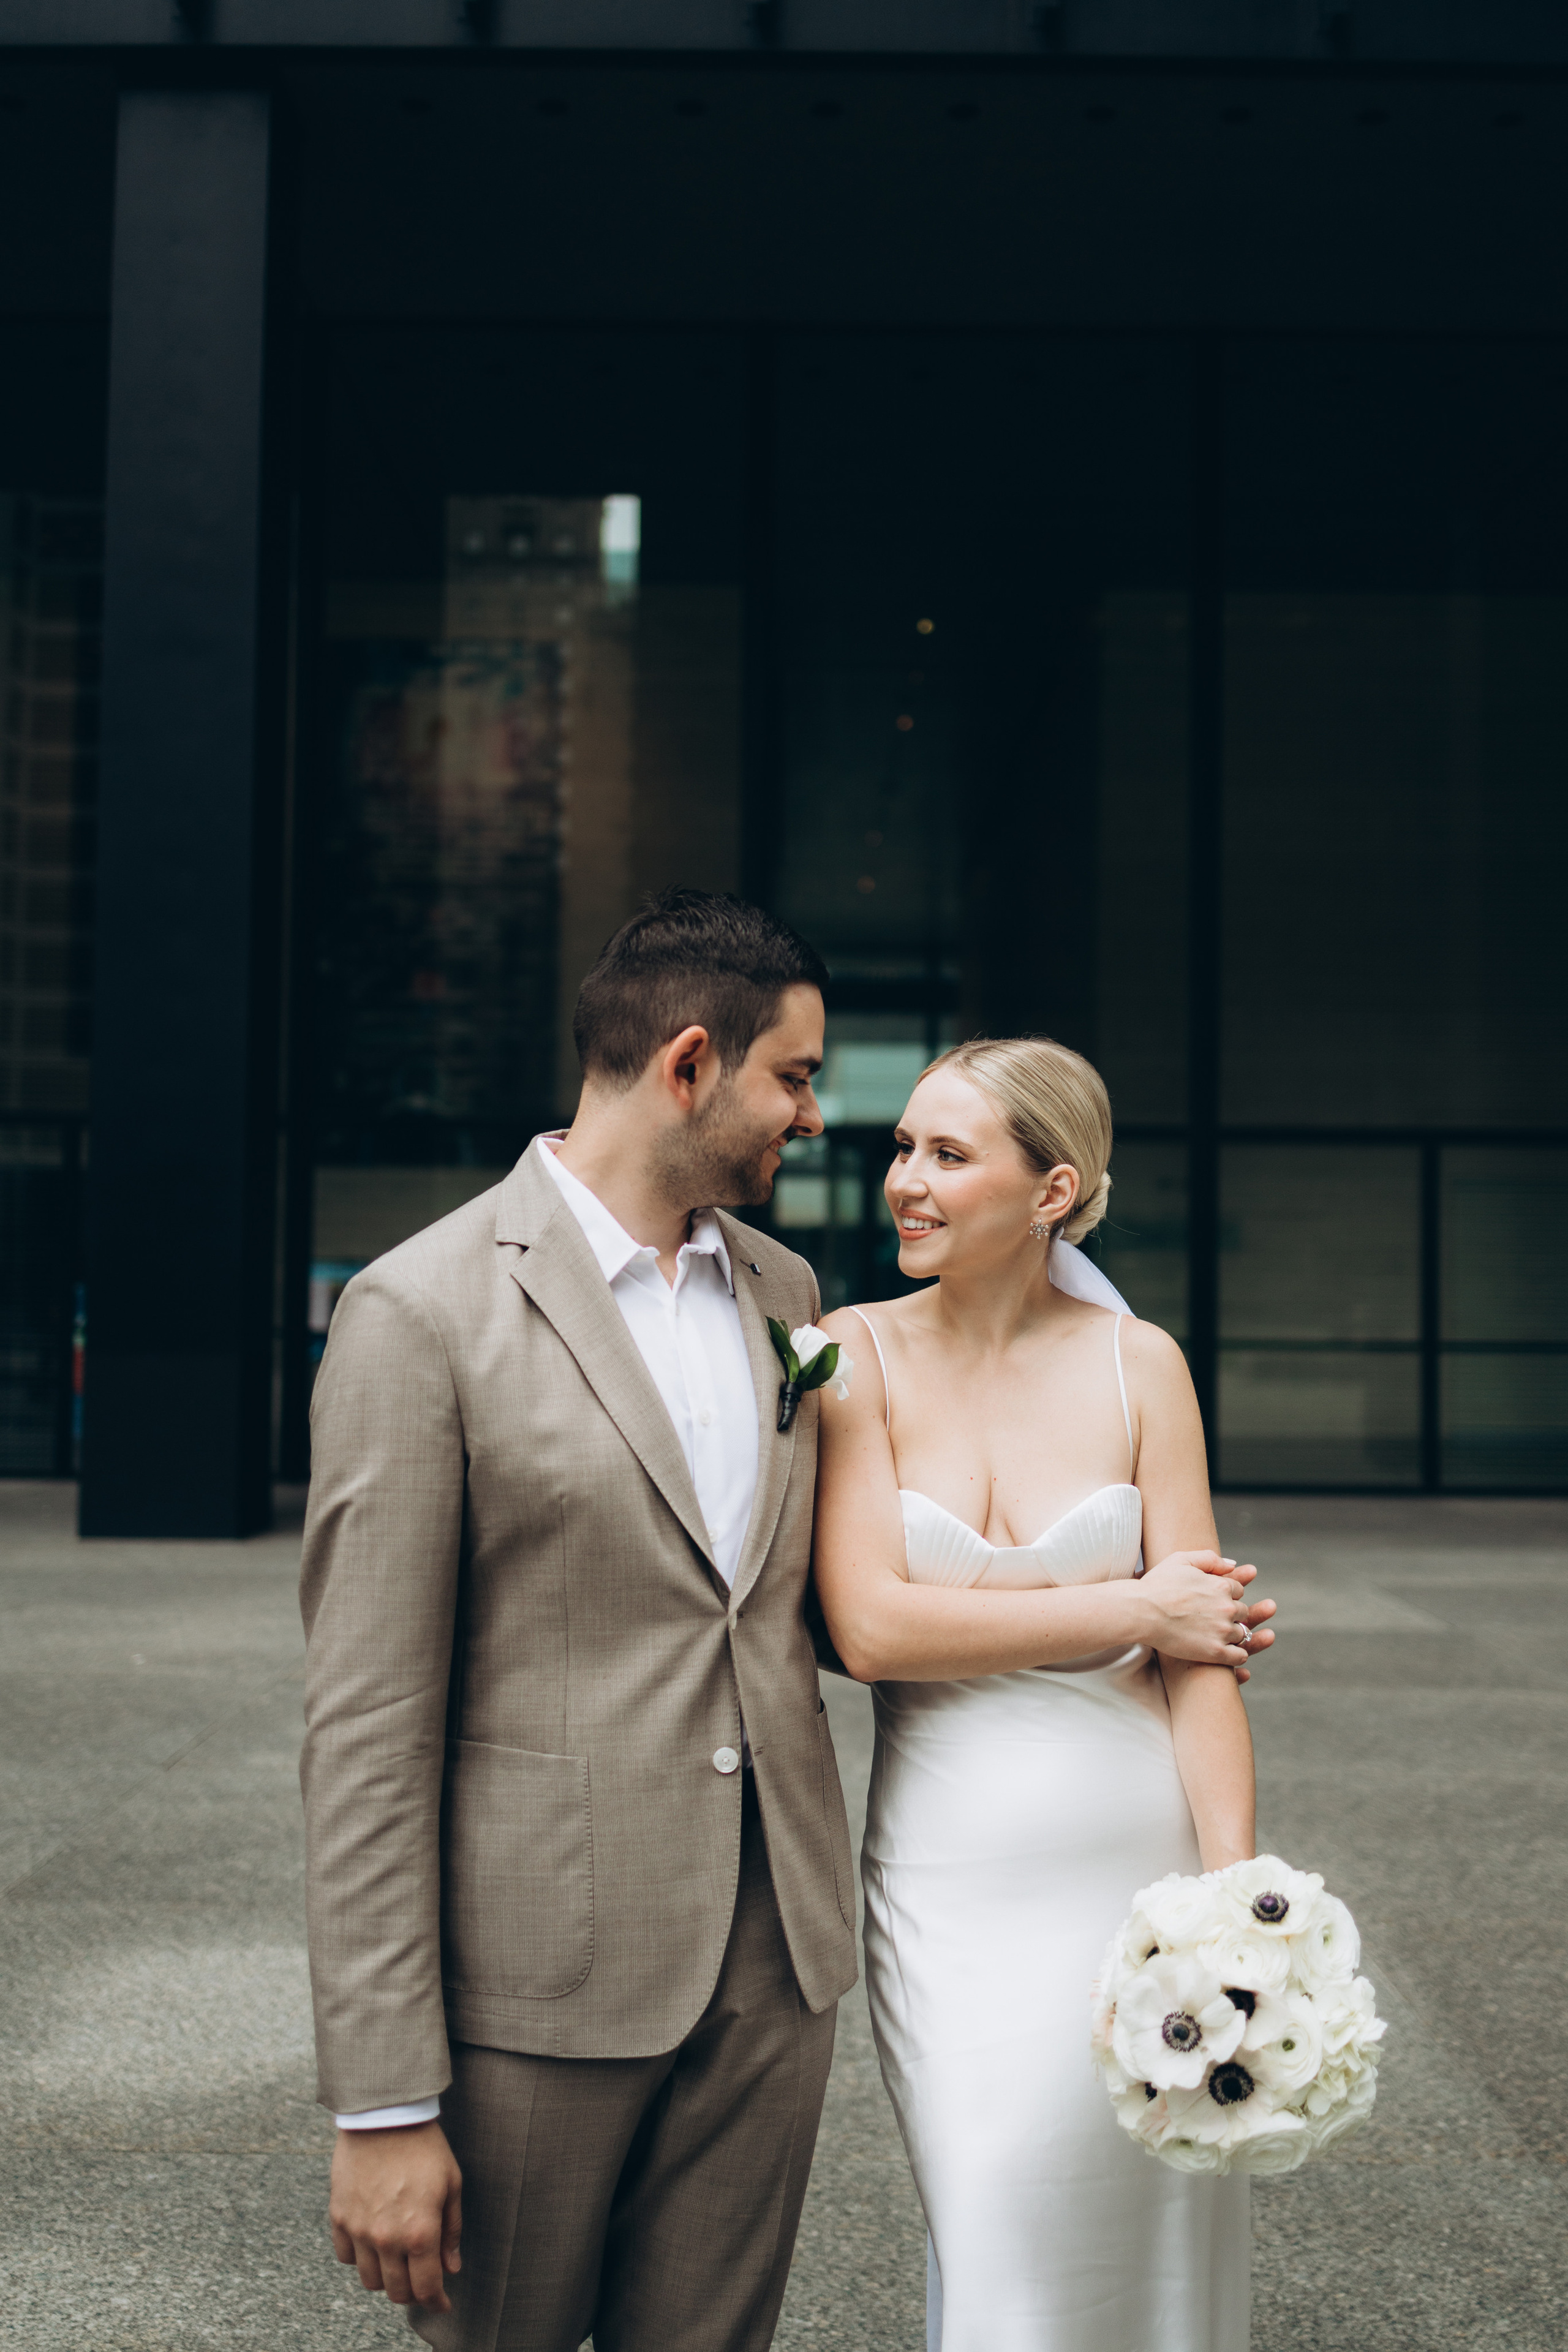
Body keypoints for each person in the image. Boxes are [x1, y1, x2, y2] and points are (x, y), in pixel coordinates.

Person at [298, 890, 859, 2352]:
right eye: (793, 1077)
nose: (813, 1118)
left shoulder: (787, 1292)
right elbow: (366, 1730)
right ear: (688, 1064)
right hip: (533, 1990)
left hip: (772, 1965)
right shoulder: (417, 1312)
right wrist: (382, 2102)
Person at [811, 1037, 1275, 2352]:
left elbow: (1203, 1656)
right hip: (947, 1879)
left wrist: (1236, 1903)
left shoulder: (1143, 1366)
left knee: (1153, 2246)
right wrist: (1134, 1605)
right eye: (902, 1147)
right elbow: (872, 1626)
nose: (904, 1179)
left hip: (1136, 1867)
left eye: (946, 1155)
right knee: (997, 2218)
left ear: (1052, 1190)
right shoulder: (852, 1358)